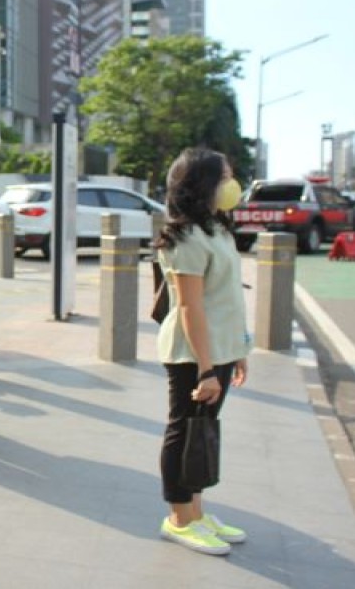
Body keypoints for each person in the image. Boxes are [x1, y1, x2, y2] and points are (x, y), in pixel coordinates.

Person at [154, 147, 251, 557]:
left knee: (204, 429)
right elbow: (191, 307)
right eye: (225, 176)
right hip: (193, 354)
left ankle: (196, 510)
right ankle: (179, 519)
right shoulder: (186, 237)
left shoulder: (217, 229)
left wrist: (238, 350)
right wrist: (207, 369)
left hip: (220, 348)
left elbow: (226, 298)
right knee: (185, 429)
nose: (232, 184)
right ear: (203, 183)